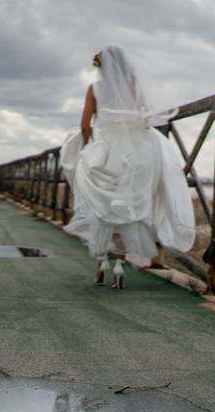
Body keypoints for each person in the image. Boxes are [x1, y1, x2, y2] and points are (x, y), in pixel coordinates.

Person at [60, 45, 195, 289]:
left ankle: (101, 262)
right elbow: (145, 118)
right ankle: (120, 265)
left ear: (101, 66)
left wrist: (89, 146)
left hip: (104, 153)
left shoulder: (95, 89)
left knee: (102, 208)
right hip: (133, 155)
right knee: (124, 209)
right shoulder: (134, 88)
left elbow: (84, 125)